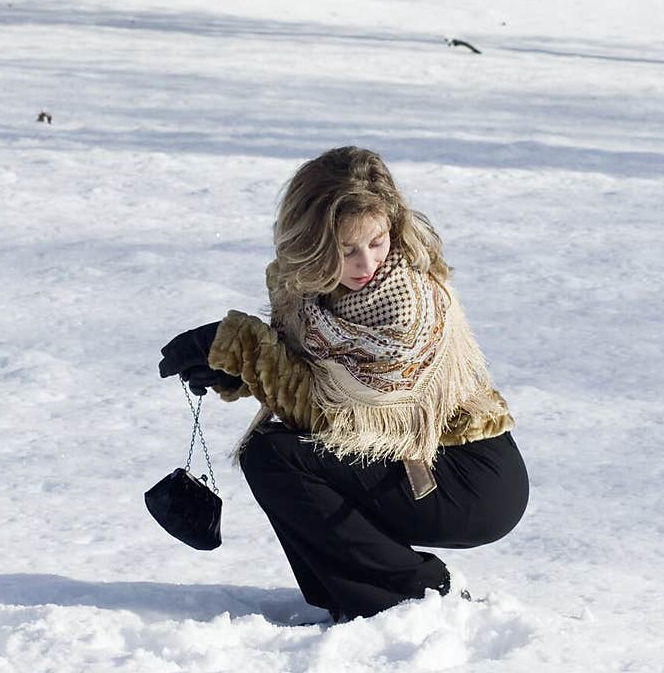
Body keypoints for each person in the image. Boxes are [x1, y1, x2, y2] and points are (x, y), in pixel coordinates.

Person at [158, 146, 528, 622]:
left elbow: (341, 417)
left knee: (276, 457)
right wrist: (232, 367)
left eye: (377, 241)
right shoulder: (308, 288)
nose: (366, 262)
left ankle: (418, 599)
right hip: (418, 462)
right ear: (312, 241)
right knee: (276, 454)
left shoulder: (408, 306)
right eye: (346, 248)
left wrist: (244, 350)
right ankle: (359, 600)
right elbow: (309, 368)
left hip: (470, 479)